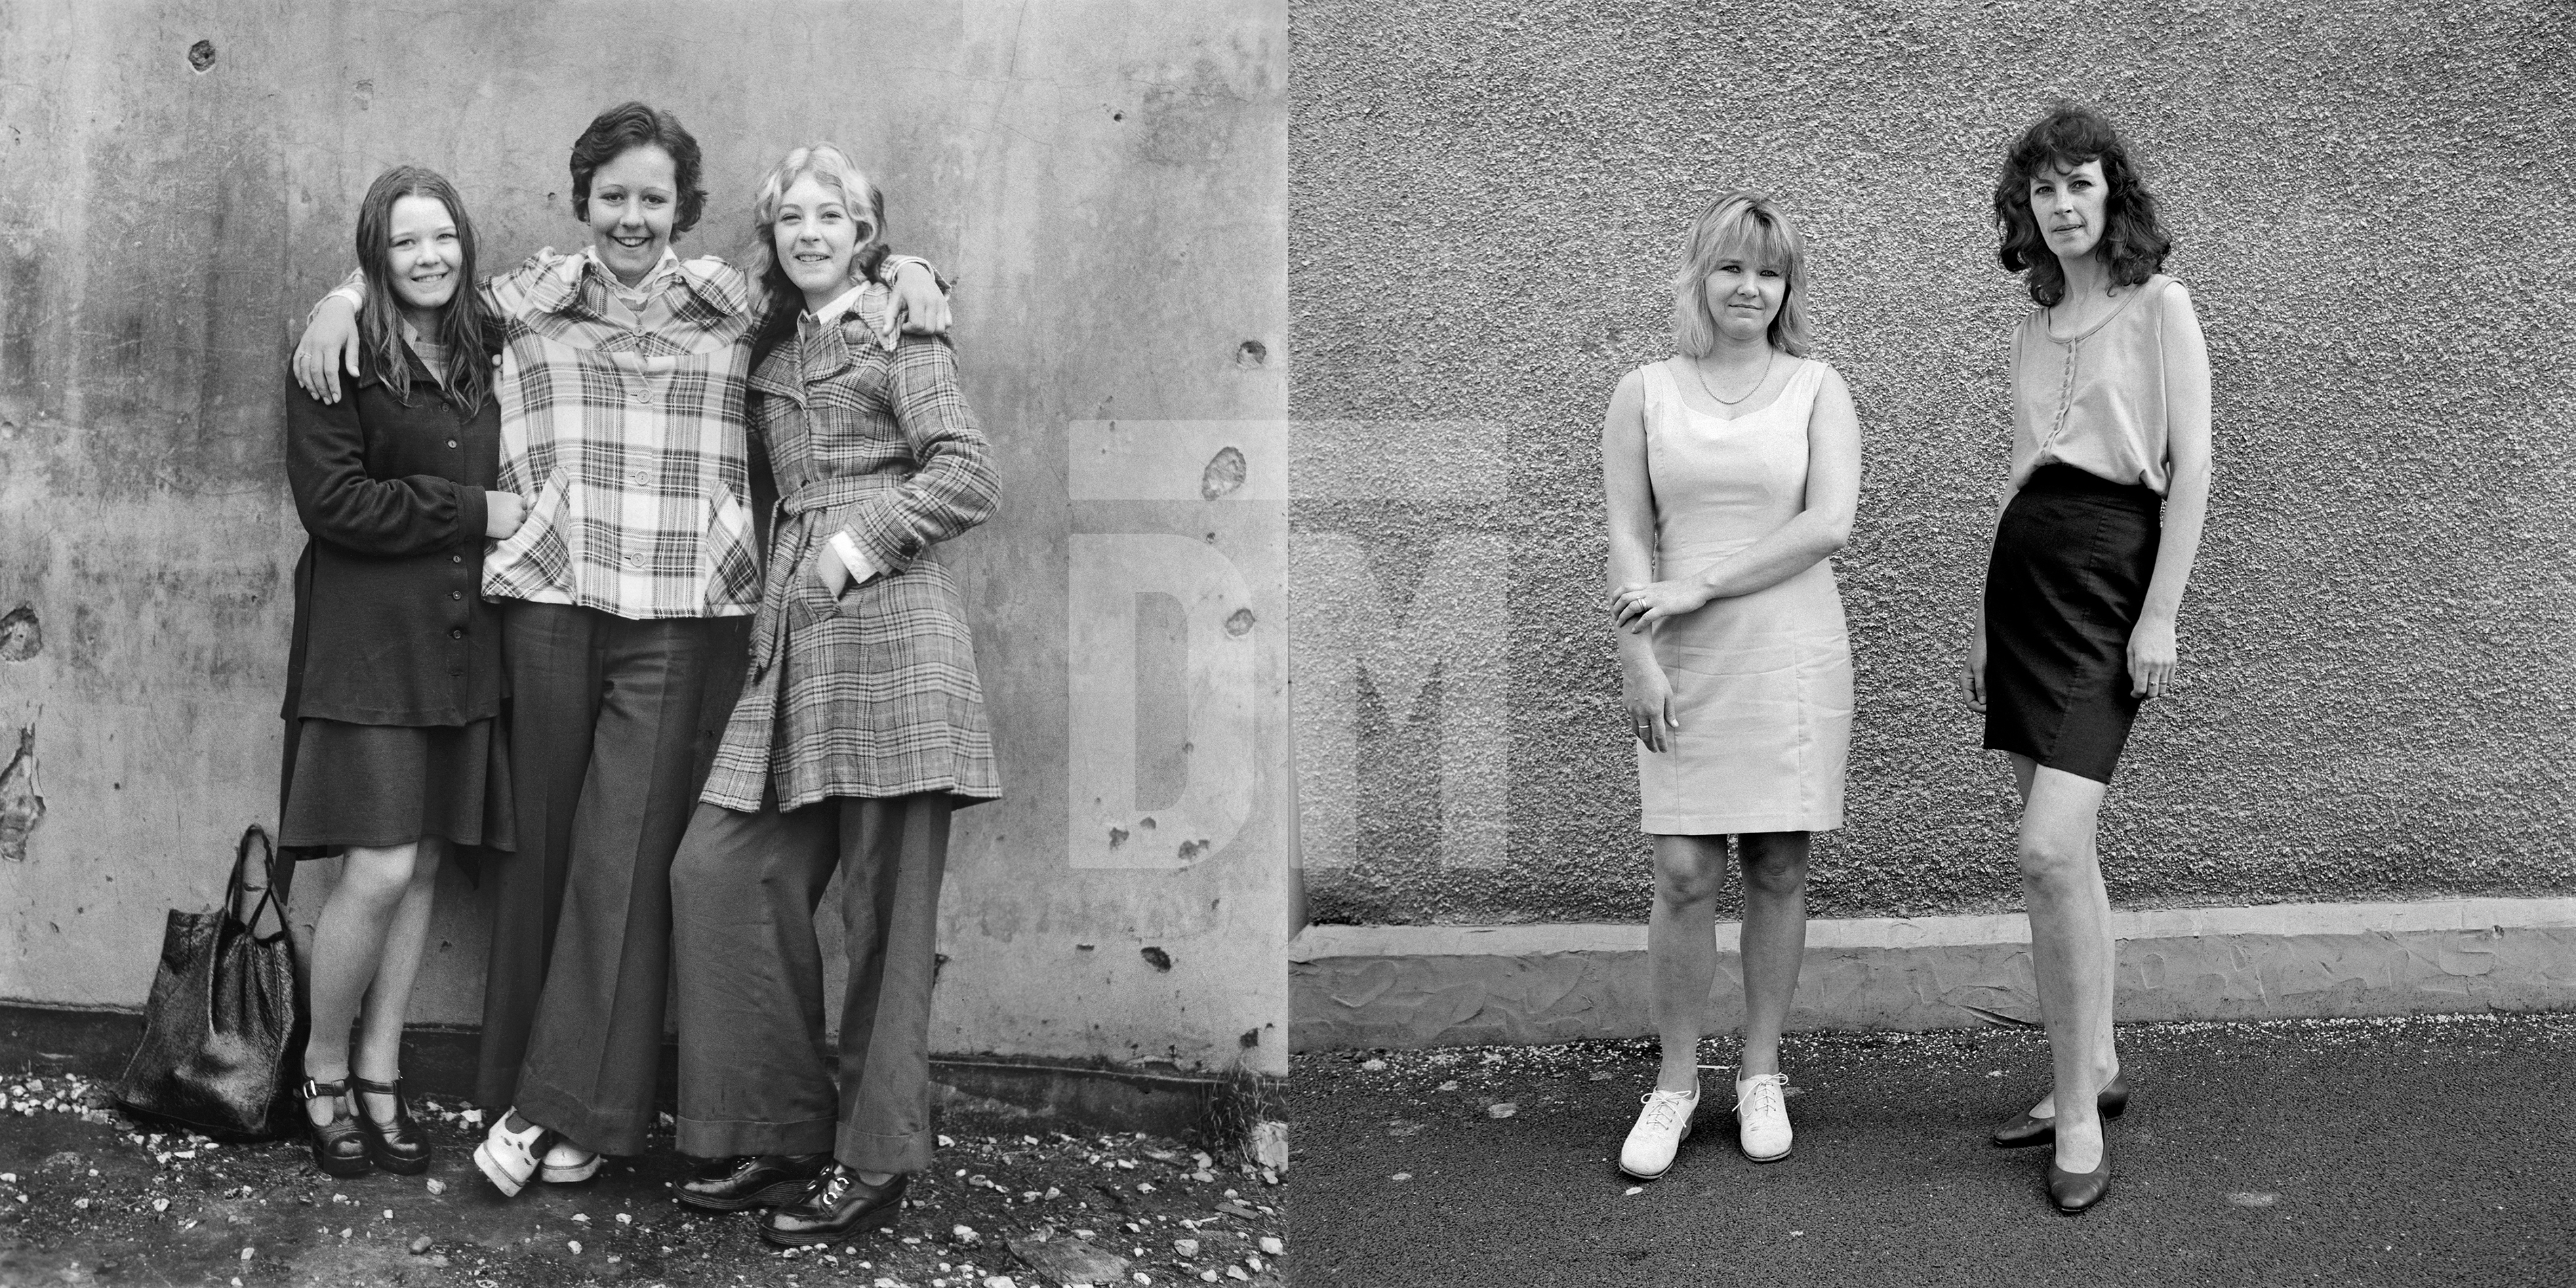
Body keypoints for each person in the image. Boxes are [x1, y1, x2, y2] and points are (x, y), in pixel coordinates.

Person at [289, 103, 952, 1197]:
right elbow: (423, 288)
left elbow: (850, 281)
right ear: (583, 201)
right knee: (539, 863)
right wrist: (344, 293)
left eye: (654, 199)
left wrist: (915, 269)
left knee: (626, 867)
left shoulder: (741, 309)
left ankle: (578, 1111)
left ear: (683, 210)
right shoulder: (526, 305)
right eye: (614, 197)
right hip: (549, 603)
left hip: (687, 615)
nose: (633, 218)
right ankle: (521, 1095)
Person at [664, 143, 999, 1246]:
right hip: (795, 647)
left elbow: (966, 471)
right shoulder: (770, 346)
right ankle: (782, 1128)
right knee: (719, 873)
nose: (810, 233)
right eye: (791, 218)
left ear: (867, 234)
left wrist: (856, 544)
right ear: (772, 236)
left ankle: (874, 1159)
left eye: (833, 217)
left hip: (896, 640)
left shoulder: (904, 326)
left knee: (885, 919)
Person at [1963, 104, 2213, 1214]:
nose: (2062, 208)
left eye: (2081, 186)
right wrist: (1979, 626)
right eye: (2044, 192)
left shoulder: (2162, 305)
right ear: (2026, 210)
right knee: (2069, 861)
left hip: (2112, 581)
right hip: (2025, 583)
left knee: (2048, 851)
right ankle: (2095, 1066)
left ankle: (2074, 1114)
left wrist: (2159, 616)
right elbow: (2021, 474)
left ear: (2114, 195)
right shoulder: (2033, 326)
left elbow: (2194, 469)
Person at [1601, 191, 1860, 1182]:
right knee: (1682, 873)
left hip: (1788, 650)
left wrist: (1699, 584)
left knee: (1779, 867)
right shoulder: (1645, 391)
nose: (1749, 287)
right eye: (1731, 267)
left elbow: (1827, 523)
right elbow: (1629, 533)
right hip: (1678, 651)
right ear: (1700, 277)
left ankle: (1760, 1072)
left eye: (1769, 271)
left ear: (1787, 287)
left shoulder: (1818, 388)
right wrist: (1638, 650)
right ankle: (1674, 1083)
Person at [279, 165, 521, 1178]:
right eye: (406, 242)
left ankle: (382, 1070)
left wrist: (902, 271)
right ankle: (322, 1073)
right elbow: (334, 505)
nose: (430, 257)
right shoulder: (338, 356)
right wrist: (469, 512)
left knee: (422, 865)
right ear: (375, 253)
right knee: (375, 867)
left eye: (445, 239)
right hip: (368, 647)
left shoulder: (486, 341)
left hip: (461, 646)